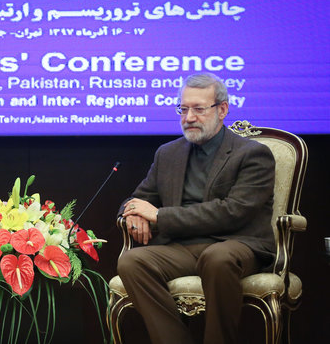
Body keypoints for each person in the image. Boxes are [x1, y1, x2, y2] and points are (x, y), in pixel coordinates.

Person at [117, 73, 276, 344]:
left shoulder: (252, 154)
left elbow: (234, 212)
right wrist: (132, 214)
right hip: (182, 247)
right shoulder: (168, 153)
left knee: (217, 257)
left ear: (222, 110)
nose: (189, 117)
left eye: (199, 109)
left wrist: (159, 216)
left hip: (235, 244)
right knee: (131, 261)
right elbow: (139, 198)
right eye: (183, 109)